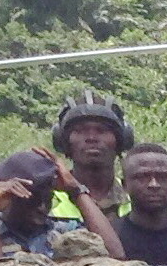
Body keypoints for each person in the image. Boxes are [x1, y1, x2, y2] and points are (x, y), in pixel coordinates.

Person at [51, 92, 133, 221]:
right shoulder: (46, 199)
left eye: (102, 131)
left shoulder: (137, 197)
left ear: (121, 140)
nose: (91, 138)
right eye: (80, 131)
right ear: (63, 141)